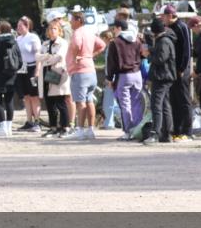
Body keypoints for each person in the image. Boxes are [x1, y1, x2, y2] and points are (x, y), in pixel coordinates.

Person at [64, 10, 106, 140]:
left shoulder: (77, 32)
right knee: (89, 101)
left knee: (80, 102)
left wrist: (76, 55)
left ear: (78, 20)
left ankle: (80, 130)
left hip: (79, 71)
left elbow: (77, 44)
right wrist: (90, 55)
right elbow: (102, 45)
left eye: (71, 19)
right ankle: (90, 129)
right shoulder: (89, 32)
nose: (70, 22)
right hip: (90, 70)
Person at [105, 18, 143, 140]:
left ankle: (128, 131)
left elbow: (111, 63)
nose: (113, 31)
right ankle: (138, 129)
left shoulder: (115, 42)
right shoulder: (137, 40)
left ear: (119, 28)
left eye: (114, 28)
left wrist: (109, 78)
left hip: (124, 75)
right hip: (137, 74)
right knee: (137, 103)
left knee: (125, 104)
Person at [160, 5, 193, 141]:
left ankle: (187, 131)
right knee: (174, 100)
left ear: (169, 16)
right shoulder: (168, 28)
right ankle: (177, 130)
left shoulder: (181, 26)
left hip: (180, 70)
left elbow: (186, 50)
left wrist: (182, 68)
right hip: (171, 70)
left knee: (184, 100)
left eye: (163, 16)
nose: (162, 19)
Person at [143, 19, 176, 145]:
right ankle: (166, 134)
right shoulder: (165, 40)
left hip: (161, 76)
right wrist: (151, 50)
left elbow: (161, 58)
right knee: (165, 105)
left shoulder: (163, 41)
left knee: (156, 104)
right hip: (165, 76)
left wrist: (148, 55)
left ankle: (155, 133)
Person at [37, 19, 71, 137]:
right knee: (49, 102)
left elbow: (58, 57)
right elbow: (37, 56)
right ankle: (53, 127)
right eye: (50, 28)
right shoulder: (45, 43)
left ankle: (65, 127)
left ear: (59, 31)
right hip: (46, 73)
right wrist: (47, 56)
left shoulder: (63, 43)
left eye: (55, 28)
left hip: (57, 73)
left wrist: (45, 57)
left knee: (60, 102)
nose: (52, 31)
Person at [0, 21, 20, 137]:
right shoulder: (14, 42)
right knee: (9, 101)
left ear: (0, 30)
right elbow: (20, 60)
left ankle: (2, 128)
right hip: (12, 75)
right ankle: (9, 127)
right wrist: (14, 71)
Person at [15, 16, 42, 132]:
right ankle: (29, 121)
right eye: (18, 25)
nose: (18, 28)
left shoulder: (33, 37)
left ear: (27, 26)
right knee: (26, 97)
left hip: (31, 68)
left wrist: (37, 70)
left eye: (21, 25)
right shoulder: (18, 39)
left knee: (34, 96)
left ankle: (37, 121)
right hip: (21, 69)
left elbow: (38, 55)